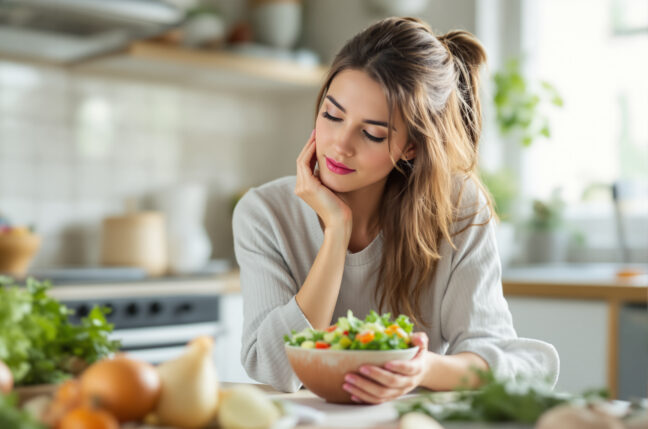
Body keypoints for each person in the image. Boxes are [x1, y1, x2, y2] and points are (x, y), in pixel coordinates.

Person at [231, 17, 559, 404]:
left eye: (371, 133)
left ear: (411, 148)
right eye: (332, 116)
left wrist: (422, 369)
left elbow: (510, 361)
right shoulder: (264, 213)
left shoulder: (456, 207)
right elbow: (274, 368)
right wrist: (336, 232)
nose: (339, 145)